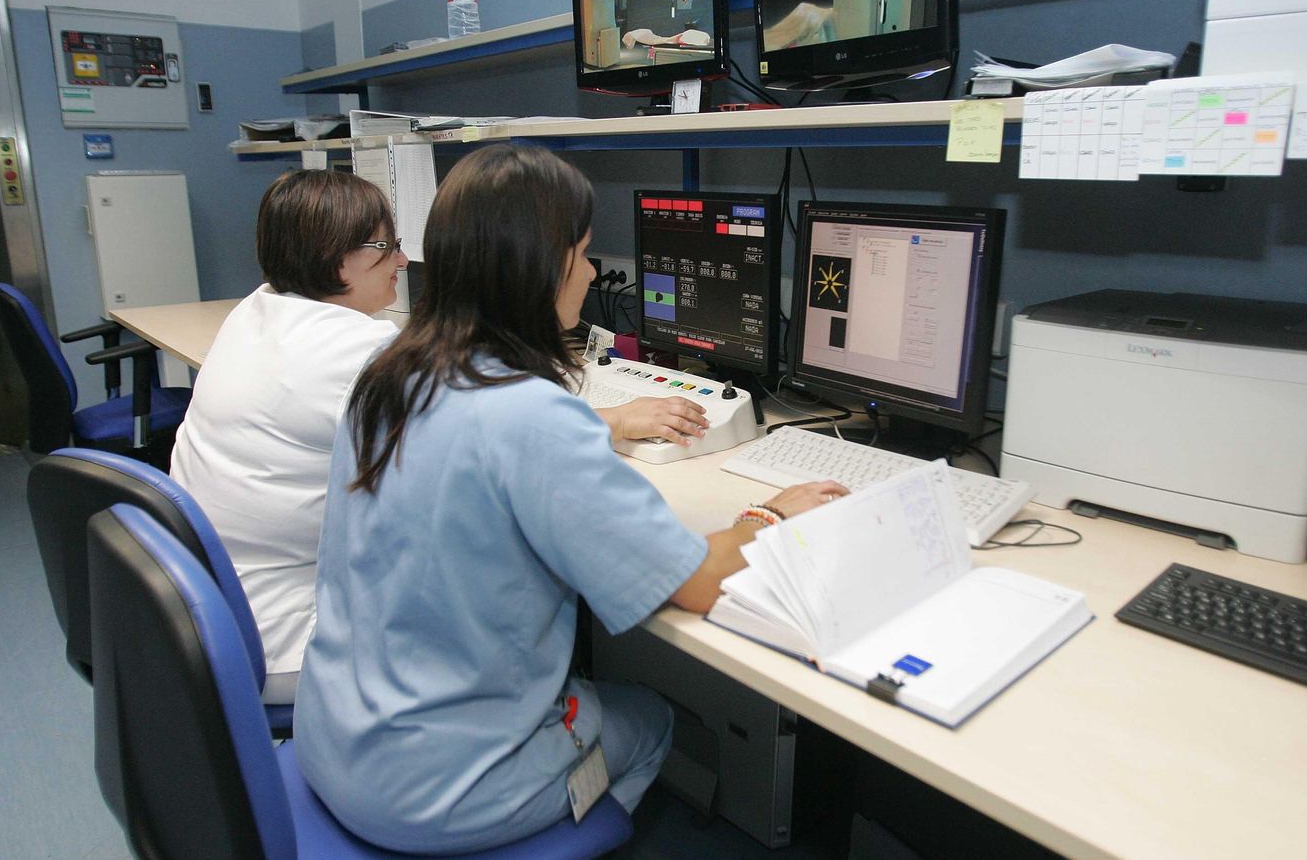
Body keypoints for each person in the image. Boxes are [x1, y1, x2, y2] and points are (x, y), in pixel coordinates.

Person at [295, 144, 847, 854]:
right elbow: (698, 585)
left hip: (335, 737)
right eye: (583, 253)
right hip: (437, 792)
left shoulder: (389, 370)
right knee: (649, 720)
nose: (590, 273)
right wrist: (772, 514)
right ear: (540, 266)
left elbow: (488, 441)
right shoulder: (529, 418)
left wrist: (600, 425)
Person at [169, 169, 407, 704]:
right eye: (387, 245)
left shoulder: (256, 308)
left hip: (205, 609)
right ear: (336, 258)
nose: (403, 260)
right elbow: (488, 444)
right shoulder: (360, 347)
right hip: (284, 642)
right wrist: (610, 421)